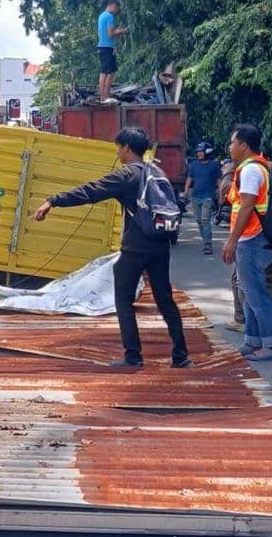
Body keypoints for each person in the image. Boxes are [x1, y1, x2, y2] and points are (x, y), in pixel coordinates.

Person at [32, 127, 192, 369]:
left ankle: (133, 357)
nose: (117, 151)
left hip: (135, 249)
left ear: (126, 148)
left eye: (118, 147)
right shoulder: (156, 171)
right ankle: (181, 356)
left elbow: (91, 190)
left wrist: (54, 200)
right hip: (160, 245)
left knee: (123, 298)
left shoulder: (127, 174)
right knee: (165, 299)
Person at [221, 123, 272, 362]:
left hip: (251, 238)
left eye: (232, 143)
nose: (230, 147)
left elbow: (246, 207)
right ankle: (252, 339)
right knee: (247, 291)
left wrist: (231, 241)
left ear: (243, 145)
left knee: (255, 293)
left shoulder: (250, 171)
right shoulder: (255, 167)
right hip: (252, 238)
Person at [183, 141, 221, 255]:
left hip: (208, 197)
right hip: (195, 197)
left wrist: (221, 195)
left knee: (205, 220)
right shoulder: (194, 164)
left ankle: (208, 245)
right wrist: (185, 191)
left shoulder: (214, 165)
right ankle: (205, 241)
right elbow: (190, 178)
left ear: (207, 152)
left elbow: (219, 181)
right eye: (198, 152)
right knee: (199, 221)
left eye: (201, 151)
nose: (198, 154)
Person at [96, 0, 128, 100]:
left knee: (108, 70)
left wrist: (116, 30)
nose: (116, 11)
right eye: (116, 8)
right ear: (112, 6)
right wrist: (122, 31)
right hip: (107, 47)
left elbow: (106, 32)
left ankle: (104, 95)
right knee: (107, 72)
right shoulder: (109, 16)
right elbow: (110, 34)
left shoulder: (102, 16)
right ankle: (104, 96)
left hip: (102, 46)